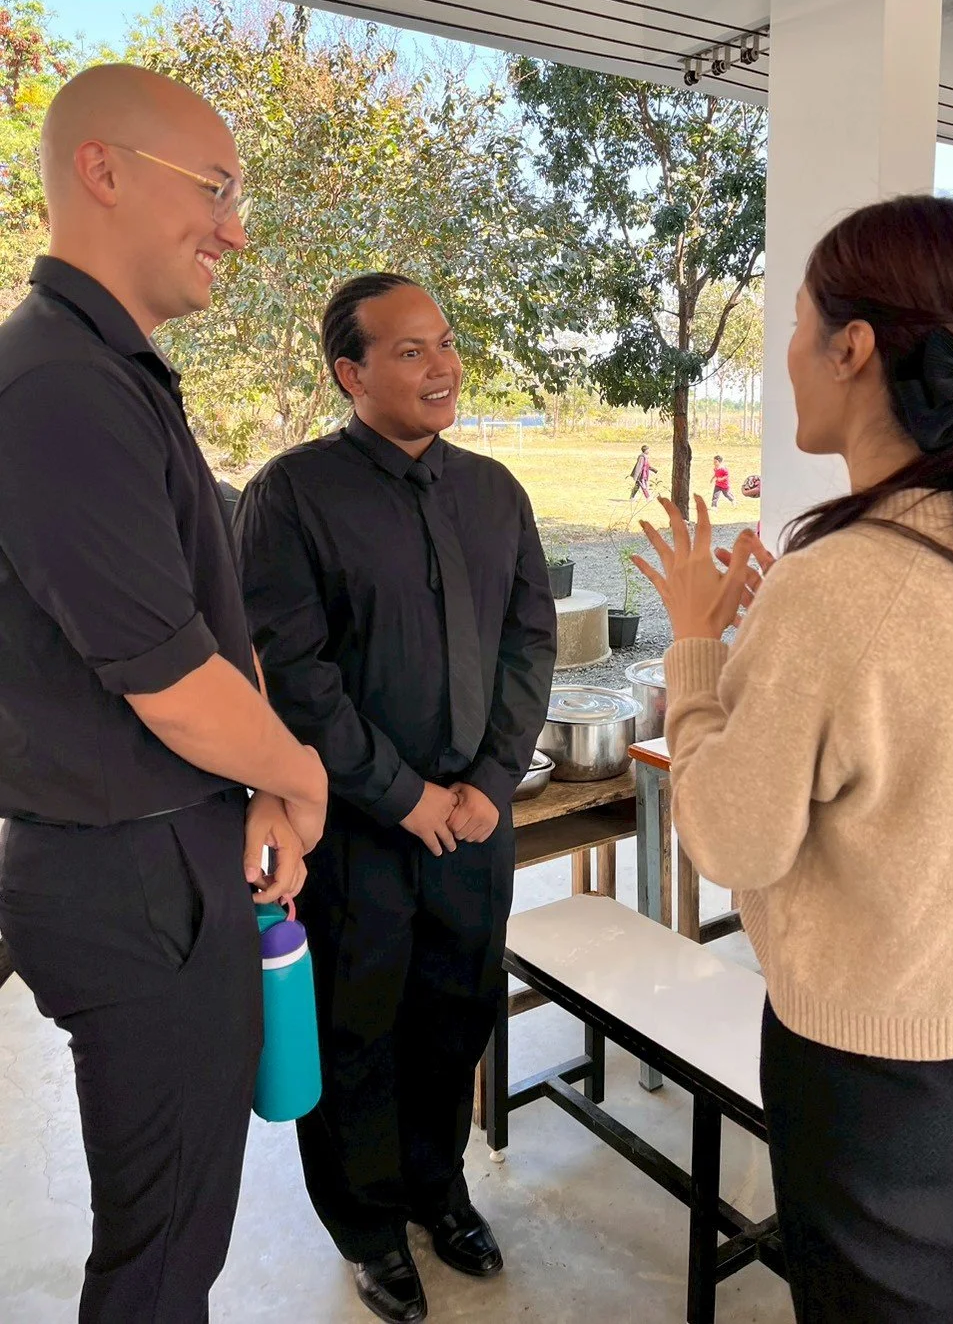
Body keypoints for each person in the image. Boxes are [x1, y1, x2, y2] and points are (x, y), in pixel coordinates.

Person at [634, 195, 953, 1323]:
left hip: (875, 1068)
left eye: (792, 324)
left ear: (849, 347)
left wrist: (697, 649)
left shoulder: (840, 581)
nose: (782, 354)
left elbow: (731, 835)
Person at [0, 65, 329, 1323]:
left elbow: (199, 624)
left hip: (169, 853)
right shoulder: (59, 387)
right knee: (160, 1256)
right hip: (131, 880)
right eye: (217, 190)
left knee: (181, 1224)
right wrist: (297, 779)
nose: (236, 229)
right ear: (102, 171)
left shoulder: (110, 371)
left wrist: (255, 782)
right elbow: (177, 684)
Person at [234, 273, 556, 1323]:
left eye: (446, 343)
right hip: (355, 835)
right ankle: (369, 1227)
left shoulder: (495, 492)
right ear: (350, 371)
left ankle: (437, 1185)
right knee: (355, 1031)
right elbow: (296, 674)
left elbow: (528, 640)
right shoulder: (291, 497)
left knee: (456, 1015)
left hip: (473, 826)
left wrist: (490, 783)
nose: (442, 365)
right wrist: (404, 793)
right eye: (409, 350)